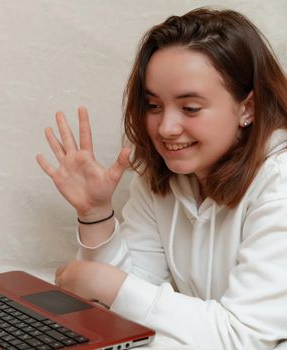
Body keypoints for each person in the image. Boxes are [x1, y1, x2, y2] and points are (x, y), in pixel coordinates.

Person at [36, 7, 287, 350]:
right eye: (154, 105)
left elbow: (245, 336)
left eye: (190, 108)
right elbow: (124, 307)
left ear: (248, 108)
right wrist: (95, 214)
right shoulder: (167, 176)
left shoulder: (279, 185)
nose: (166, 128)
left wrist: (110, 285)